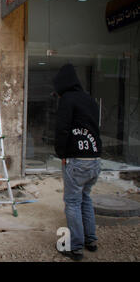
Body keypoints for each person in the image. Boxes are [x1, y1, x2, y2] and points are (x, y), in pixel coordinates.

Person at [53, 64, 102, 261]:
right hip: (95, 158)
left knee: (72, 202)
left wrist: (61, 153)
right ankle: (91, 240)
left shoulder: (67, 99)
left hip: (76, 160)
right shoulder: (90, 99)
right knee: (86, 199)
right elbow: (95, 128)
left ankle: (76, 247)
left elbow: (62, 128)